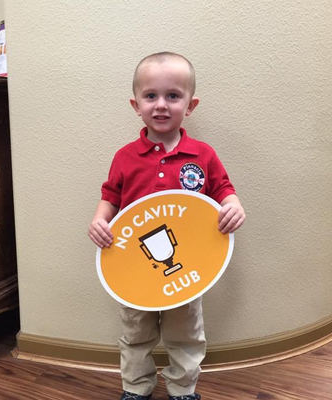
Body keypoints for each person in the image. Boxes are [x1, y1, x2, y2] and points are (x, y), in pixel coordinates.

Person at [88, 52, 246, 400]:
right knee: (135, 332)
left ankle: (183, 390)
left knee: (186, 333)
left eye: (173, 96)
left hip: (187, 268)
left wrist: (233, 206)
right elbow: (110, 197)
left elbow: (222, 189)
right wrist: (99, 221)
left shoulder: (202, 154)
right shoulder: (125, 156)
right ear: (136, 104)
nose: (161, 105)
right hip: (132, 269)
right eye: (151, 96)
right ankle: (135, 388)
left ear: (190, 105)